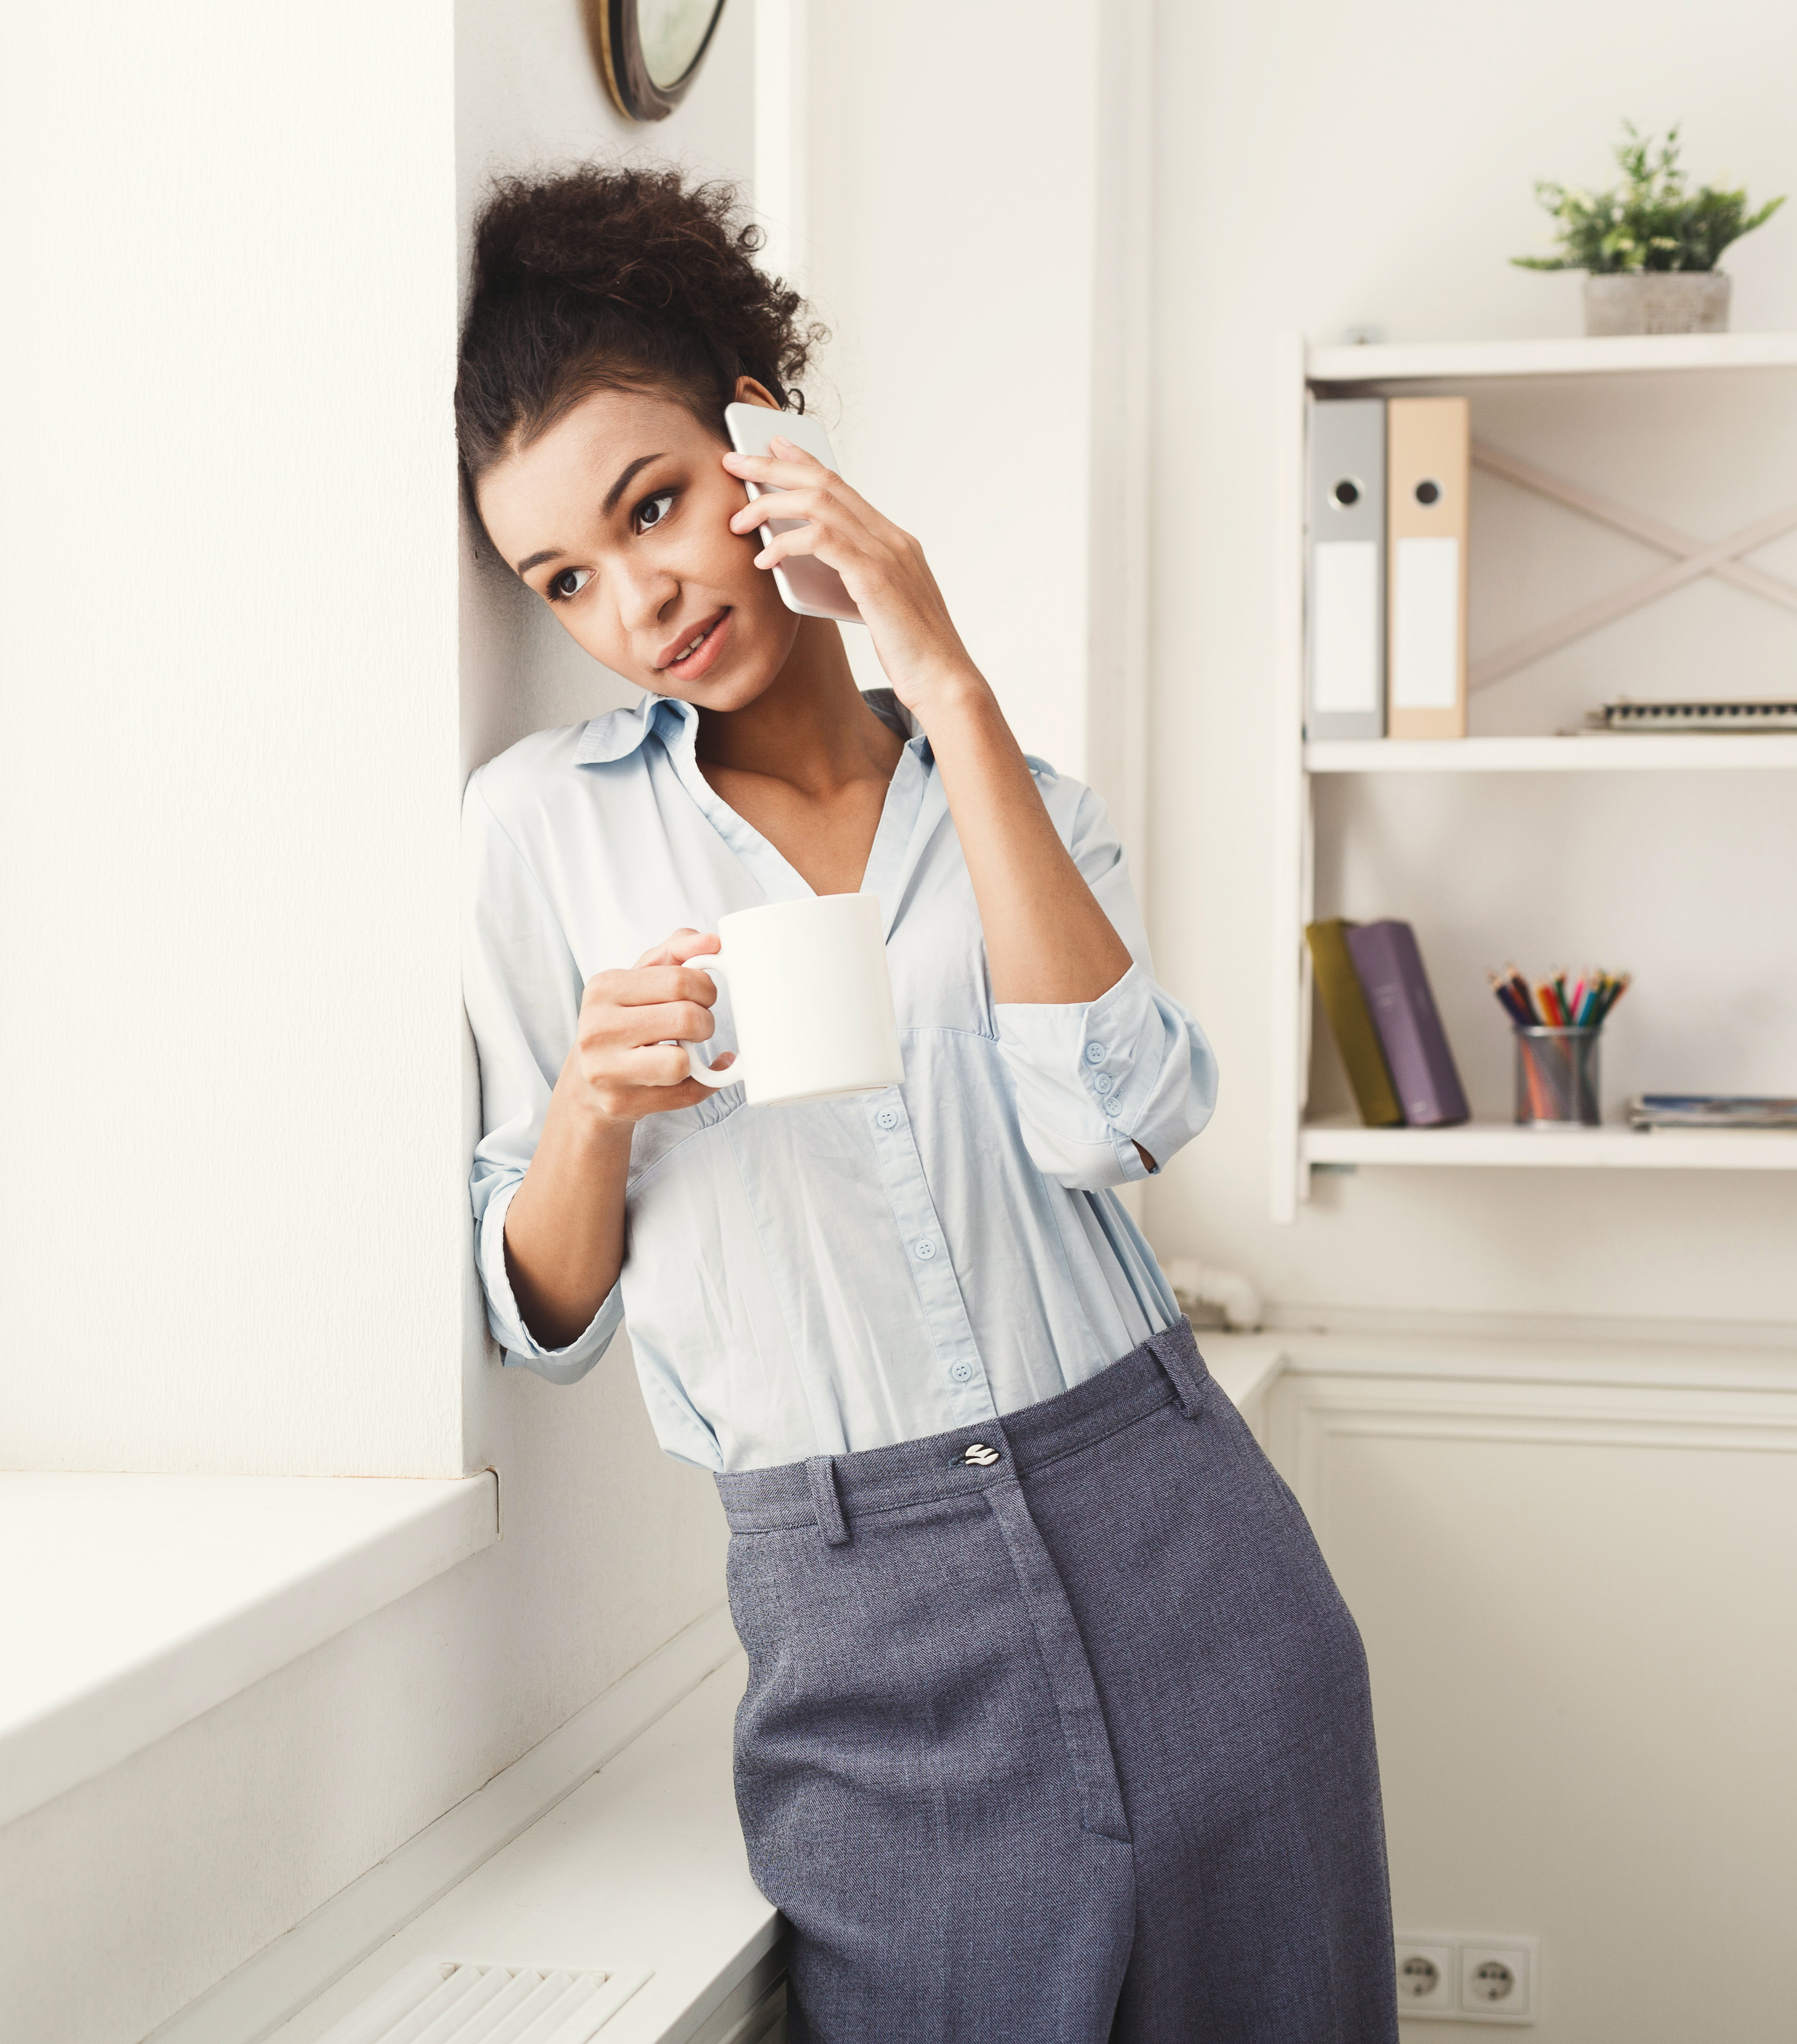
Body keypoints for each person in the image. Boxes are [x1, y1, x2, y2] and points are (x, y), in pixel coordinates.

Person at [455, 165, 1395, 2043]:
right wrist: (590, 1109)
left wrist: (940, 672)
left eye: (654, 510)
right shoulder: (538, 834)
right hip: (856, 1621)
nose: (636, 602)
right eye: (564, 578)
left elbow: (1112, 1117)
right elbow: (537, 1316)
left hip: (1181, 1538)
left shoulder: (1013, 796)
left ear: (760, 439)